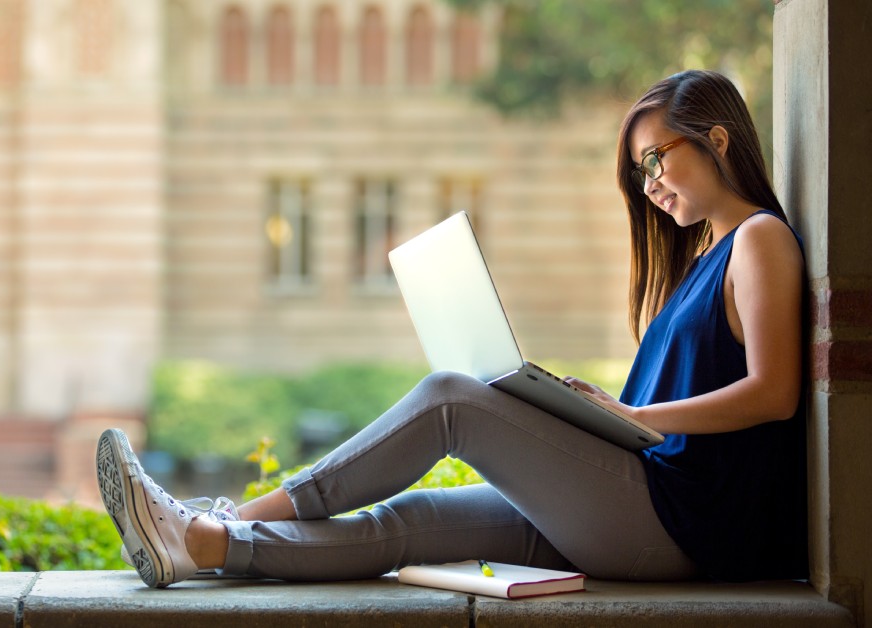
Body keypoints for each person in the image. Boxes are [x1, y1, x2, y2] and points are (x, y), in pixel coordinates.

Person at [96, 69, 808, 589]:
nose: (649, 182)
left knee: (451, 399)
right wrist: (588, 415)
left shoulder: (759, 239)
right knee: (409, 524)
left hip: (680, 525)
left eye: (657, 158)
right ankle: (202, 544)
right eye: (638, 170)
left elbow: (774, 393)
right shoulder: (706, 258)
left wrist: (632, 415)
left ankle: (226, 514)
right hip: (639, 509)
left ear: (716, 138)